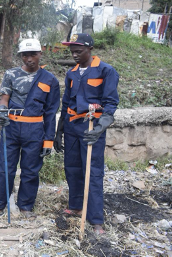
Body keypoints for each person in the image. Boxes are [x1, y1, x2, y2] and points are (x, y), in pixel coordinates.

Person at [0, 39, 60, 221]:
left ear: (40, 53)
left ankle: (26, 206)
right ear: (20, 56)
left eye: (33, 54)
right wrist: (1, 109)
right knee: (5, 168)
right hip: (11, 127)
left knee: (31, 170)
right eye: (25, 55)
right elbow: (4, 98)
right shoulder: (11, 74)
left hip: (35, 129)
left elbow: (51, 113)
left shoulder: (49, 80)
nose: (29, 58)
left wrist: (48, 140)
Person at [54, 33, 119, 234]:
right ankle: (75, 205)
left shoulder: (106, 71)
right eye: (72, 51)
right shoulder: (72, 73)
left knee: (93, 171)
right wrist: (59, 130)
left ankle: (96, 219)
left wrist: (101, 128)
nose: (74, 54)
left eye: (78, 51)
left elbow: (110, 103)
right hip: (73, 126)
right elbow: (66, 103)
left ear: (89, 49)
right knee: (72, 168)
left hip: (92, 127)